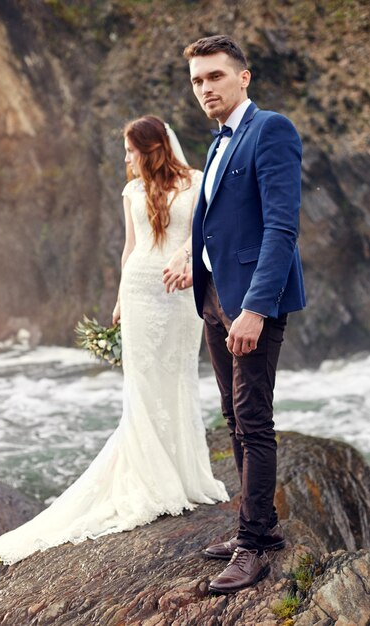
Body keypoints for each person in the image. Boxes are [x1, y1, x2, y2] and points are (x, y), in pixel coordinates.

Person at [0, 115, 228, 566]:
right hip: (139, 294)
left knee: (178, 378)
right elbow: (130, 248)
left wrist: (190, 260)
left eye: (131, 150)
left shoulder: (196, 181)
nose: (126, 158)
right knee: (143, 385)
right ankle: (152, 477)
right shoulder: (132, 192)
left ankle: (185, 474)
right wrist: (118, 300)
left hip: (181, 293)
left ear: (152, 149)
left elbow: (204, 235)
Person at [166, 35, 306, 593]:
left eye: (215, 77)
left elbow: (281, 228)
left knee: (254, 419)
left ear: (242, 77)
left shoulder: (271, 129)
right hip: (215, 300)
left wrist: (254, 308)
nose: (206, 89)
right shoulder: (218, 140)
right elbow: (216, 222)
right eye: (198, 81)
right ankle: (260, 526)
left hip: (252, 304)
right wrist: (190, 258)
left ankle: (252, 547)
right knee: (232, 413)